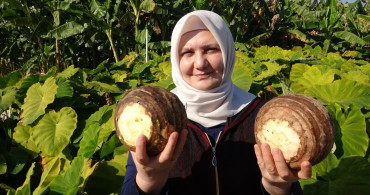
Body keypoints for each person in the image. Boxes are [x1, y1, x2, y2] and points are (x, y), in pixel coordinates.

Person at [121, 10, 312, 195]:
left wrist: (277, 187)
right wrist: (148, 181)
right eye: (187, 53)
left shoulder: (265, 116)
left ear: (228, 51)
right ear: (175, 60)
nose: (200, 63)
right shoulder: (155, 118)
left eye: (211, 49)